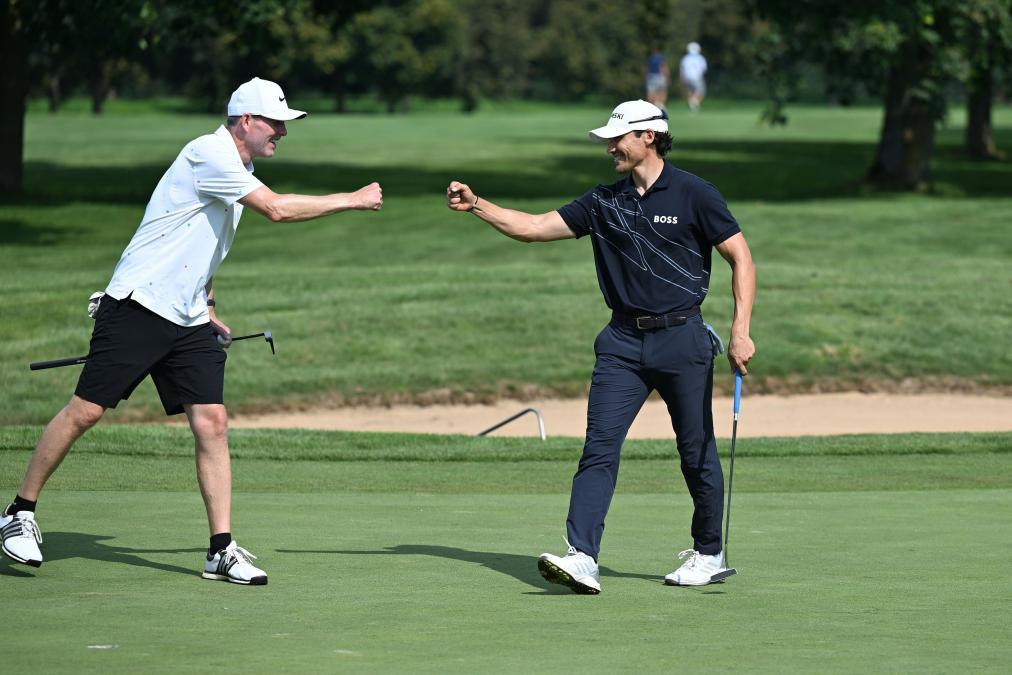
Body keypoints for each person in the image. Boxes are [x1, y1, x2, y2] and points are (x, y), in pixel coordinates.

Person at [1, 77, 383, 584]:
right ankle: (17, 512)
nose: (282, 134)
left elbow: (197, 236)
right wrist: (351, 199)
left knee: (213, 422)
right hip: (138, 304)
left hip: (186, 316)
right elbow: (277, 209)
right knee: (87, 410)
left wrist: (206, 301)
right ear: (245, 120)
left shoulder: (238, 165)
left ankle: (220, 549)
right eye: (275, 123)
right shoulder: (209, 153)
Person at [446, 99, 755, 594]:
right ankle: (582, 556)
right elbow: (532, 227)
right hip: (621, 344)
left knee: (696, 450)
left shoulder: (695, 193)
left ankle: (708, 552)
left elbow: (741, 257)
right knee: (599, 449)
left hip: (682, 338)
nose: (610, 146)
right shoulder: (604, 202)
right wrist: (478, 205)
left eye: (619, 137)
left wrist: (740, 330)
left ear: (649, 136)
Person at [679, 42, 708, 112]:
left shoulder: (685, 58)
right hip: (697, 77)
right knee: (700, 92)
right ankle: (693, 103)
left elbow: (682, 69)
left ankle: (692, 104)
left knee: (691, 92)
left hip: (687, 77)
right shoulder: (700, 58)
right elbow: (704, 69)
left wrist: (682, 78)